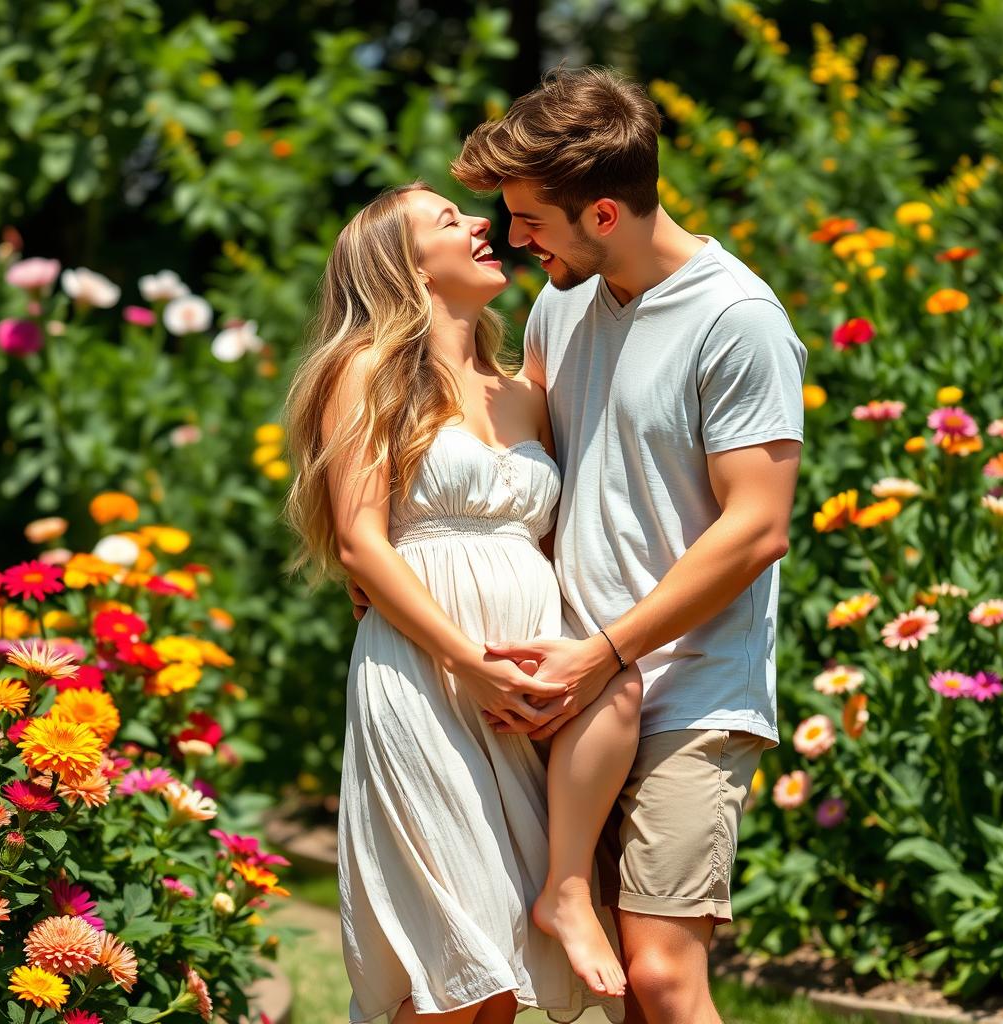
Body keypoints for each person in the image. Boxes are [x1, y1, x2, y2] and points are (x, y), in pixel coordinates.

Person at [445, 67, 808, 1024]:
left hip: (692, 686)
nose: (515, 240)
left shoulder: (738, 321)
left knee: (659, 973)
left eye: (530, 220)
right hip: (574, 693)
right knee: (613, 994)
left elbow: (757, 525)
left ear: (602, 212)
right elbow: (526, 476)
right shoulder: (559, 307)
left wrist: (606, 649)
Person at [283, 181, 642, 1024]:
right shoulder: (367, 369)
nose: (482, 222)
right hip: (425, 678)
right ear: (404, 266)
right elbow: (361, 538)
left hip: (515, 691)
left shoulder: (523, 390)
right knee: (449, 970)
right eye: (449, 219)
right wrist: (464, 660)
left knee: (498, 983)